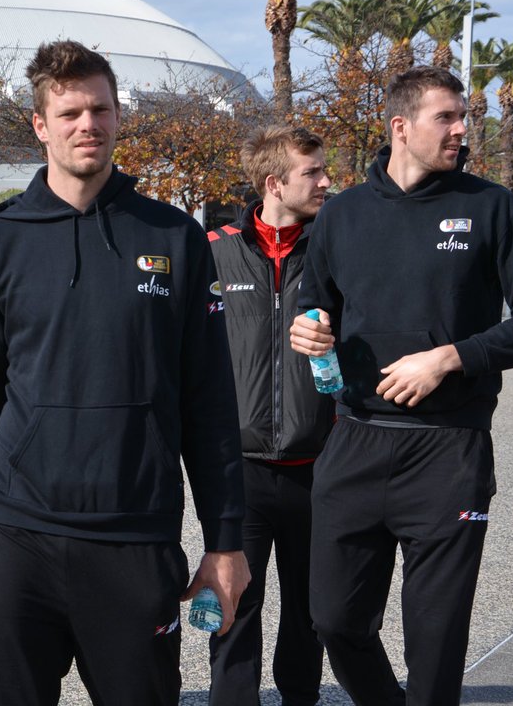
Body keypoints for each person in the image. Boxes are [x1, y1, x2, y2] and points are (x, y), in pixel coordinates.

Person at [0, 39, 250, 706]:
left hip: (133, 542)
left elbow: (210, 405)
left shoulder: (173, 238)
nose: (86, 125)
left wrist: (225, 542)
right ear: (40, 125)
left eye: (99, 109)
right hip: (15, 540)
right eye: (68, 114)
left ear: (119, 116)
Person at [289, 66, 513, 705]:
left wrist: (450, 358)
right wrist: (309, 331)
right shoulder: (342, 213)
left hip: (449, 450)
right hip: (354, 443)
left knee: (435, 642)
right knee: (335, 619)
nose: (463, 129)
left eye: (464, 117)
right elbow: (313, 305)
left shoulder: (492, 207)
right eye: (447, 117)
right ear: (400, 126)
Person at [207, 126, 334, 706]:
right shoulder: (214, 249)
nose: (326, 181)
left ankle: (300, 697)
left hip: (321, 464)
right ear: (274, 182)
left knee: (311, 607)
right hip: (239, 469)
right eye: (313, 172)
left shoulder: (335, 249)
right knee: (231, 600)